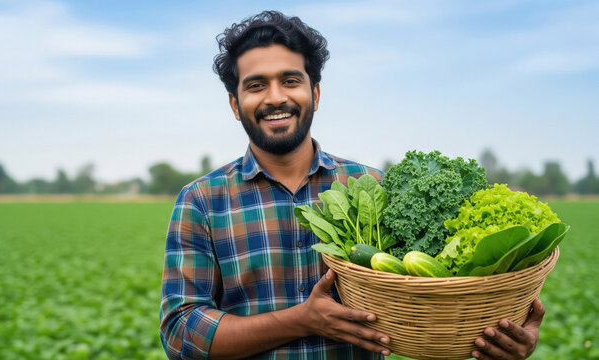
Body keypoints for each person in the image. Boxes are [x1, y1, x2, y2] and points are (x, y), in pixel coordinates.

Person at [159, 10, 545, 360]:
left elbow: (436, 291)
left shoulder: (372, 186)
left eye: (290, 80)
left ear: (315, 93)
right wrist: (302, 320)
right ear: (234, 103)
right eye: (256, 85)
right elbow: (180, 334)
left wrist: (500, 331)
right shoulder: (202, 201)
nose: (275, 97)